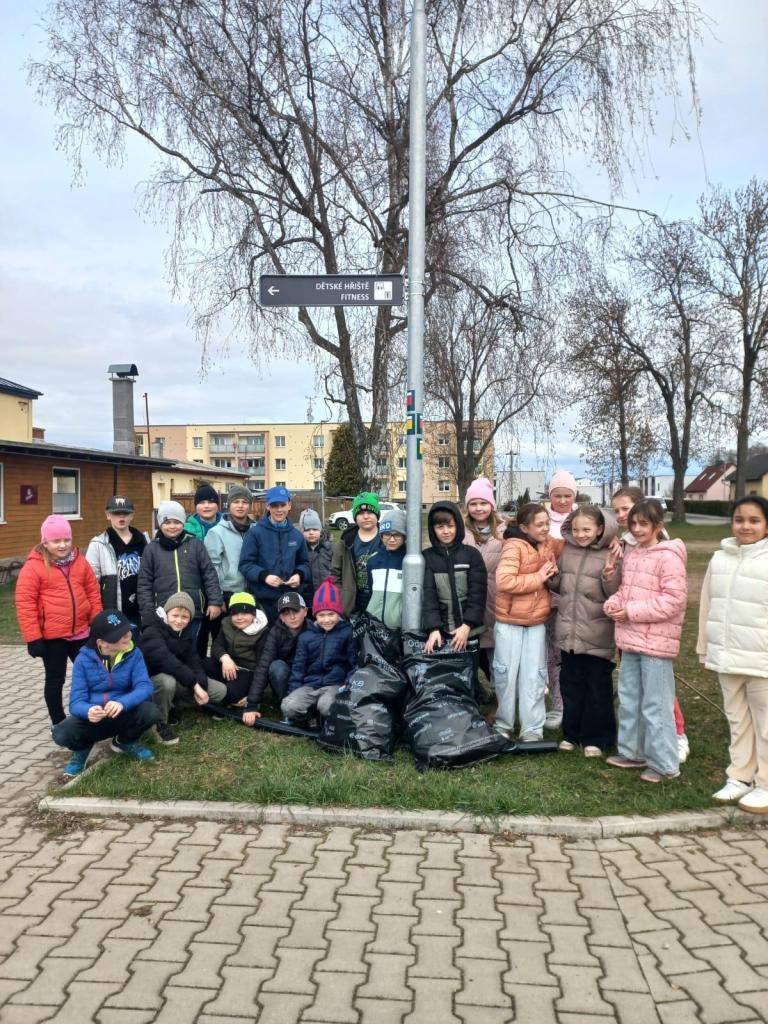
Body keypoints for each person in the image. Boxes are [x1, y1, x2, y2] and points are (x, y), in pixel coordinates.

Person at [603, 498, 687, 783]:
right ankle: (633, 751)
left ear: (658, 526)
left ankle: (665, 763)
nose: (637, 529)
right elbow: (627, 591)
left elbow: (673, 601)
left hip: (655, 644)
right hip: (630, 640)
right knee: (630, 698)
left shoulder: (669, 556)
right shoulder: (633, 554)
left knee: (656, 704)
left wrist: (632, 612)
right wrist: (614, 604)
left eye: (644, 524)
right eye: (634, 523)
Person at [697, 496, 768, 813]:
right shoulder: (719, 559)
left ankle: (765, 782)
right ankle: (739, 775)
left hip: (761, 658)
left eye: (754, 520)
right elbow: (706, 608)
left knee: (765, 724)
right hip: (727, 655)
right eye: (740, 519)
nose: (745, 526)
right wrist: (704, 647)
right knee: (738, 720)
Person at [15, 515, 103, 725]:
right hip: (53, 636)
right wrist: (33, 637)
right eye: (56, 541)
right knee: (56, 680)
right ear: (45, 542)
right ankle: (59, 723)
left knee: (93, 675)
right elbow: (25, 603)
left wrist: (97, 623)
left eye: (66, 540)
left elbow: (92, 592)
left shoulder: (79, 561)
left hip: (81, 632)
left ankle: (95, 714)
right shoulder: (34, 567)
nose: (63, 545)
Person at [52, 609, 160, 777]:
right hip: (96, 717)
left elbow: (145, 686)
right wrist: (88, 711)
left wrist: (123, 703)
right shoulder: (82, 660)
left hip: (122, 712)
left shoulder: (134, 653)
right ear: (102, 642)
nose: (127, 636)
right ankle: (82, 750)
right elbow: (76, 702)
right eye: (119, 635)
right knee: (61, 733)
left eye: (127, 631)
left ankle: (125, 741)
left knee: (151, 711)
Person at [551, 506, 621, 757]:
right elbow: (561, 585)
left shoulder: (611, 552)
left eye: (587, 530)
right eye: (577, 529)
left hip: (597, 631)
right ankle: (571, 732)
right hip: (569, 631)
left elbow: (613, 592)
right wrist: (552, 576)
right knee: (571, 684)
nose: (581, 535)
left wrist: (609, 574)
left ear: (600, 529)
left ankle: (597, 738)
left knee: (597, 688)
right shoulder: (567, 550)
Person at [493, 503, 561, 742]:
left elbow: (570, 543)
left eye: (547, 523)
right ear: (524, 527)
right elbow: (505, 581)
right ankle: (503, 724)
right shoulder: (514, 546)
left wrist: (613, 538)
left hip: (536, 622)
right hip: (509, 621)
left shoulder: (547, 543)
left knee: (535, 675)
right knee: (506, 675)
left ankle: (532, 727)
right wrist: (539, 577)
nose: (545, 528)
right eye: (539, 524)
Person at [140, 592, 228, 743]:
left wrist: (200, 684)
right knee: (166, 682)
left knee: (220, 691)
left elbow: (195, 663)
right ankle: (158, 723)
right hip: (151, 682)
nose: (179, 621)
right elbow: (165, 660)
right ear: (167, 613)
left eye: (185, 617)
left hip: (180, 678)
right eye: (175, 615)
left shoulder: (185, 633)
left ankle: (173, 706)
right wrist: (194, 685)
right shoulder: (152, 629)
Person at [137, 500, 223, 641]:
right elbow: (144, 583)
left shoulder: (195, 544)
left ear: (183, 523)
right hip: (164, 612)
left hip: (193, 611)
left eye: (176, 522)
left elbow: (209, 574)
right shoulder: (152, 549)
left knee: (194, 650)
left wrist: (215, 601)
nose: (172, 526)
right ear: (160, 524)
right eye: (167, 522)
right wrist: (148, 611)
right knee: (167, 652)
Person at [281, 579, 355, 725]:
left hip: (335, 685)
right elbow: (298, 668)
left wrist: (347, 686)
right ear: (315, 615)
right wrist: (293, 691)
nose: (326, 620)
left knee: (326, 705)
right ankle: (310, 716)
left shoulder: (347, 633)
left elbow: (354, 664)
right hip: (311, 685)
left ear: (338, 614)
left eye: (331, 614)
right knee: (288, 706)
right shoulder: (306, 636)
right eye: (321, 615)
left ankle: (324, 717)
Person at [239, 485, 311, 624]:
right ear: (267, 506)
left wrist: (299, 575)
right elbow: (245, 564)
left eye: (282, 505)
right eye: (274, 505)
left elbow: (305, 563)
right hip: (264, 601)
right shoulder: (255, 533)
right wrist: (264, 576)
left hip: (291, 600)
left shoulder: (296, 535)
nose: (279, 510)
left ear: (289, 505)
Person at [422, 501, 487, 655]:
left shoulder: (471, 555)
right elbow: (428, 596)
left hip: (468, 630)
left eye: (450, 526)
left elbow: (478, 595)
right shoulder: (427, 557)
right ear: (433, 529)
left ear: (458, 526)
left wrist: (467, 626)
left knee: (468, 674)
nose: (446, 531)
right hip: (441, 631)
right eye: (440, 527)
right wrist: (433, 628)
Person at [463, 477, 506, 695]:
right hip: (468, 600)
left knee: (495, 656)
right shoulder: (461, 532)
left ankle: (501, 700)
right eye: (473, 504)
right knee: (470, 651)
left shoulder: (505, 532)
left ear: (492, 505)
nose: (478, 508)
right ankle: (472, 694)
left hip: (495, 600)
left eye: (483, 503)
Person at [242, 592, 310, 725]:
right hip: (284, 679)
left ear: (305, 611)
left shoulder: (314, 629)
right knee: (276, 667)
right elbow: (263, 666)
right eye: (286, 613)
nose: (292, 617)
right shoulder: (274, 632)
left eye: (295, 611)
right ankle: (287, 707)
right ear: (281, 617)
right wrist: (252, 704)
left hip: (307, 679)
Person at [86, 495, 148, 631]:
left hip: (139, 611)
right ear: (108, 515)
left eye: (125, 513)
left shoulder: (143, 542)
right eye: (116, 513)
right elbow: (90, 582)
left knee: (137, 649)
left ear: (132, 515)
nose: (121, 517)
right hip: (112, 611)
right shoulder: (98, 544)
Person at [205, 591, 269, 704]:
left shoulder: (263, 632)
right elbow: (217, 645)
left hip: (247, 671)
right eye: (235, 613)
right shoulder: (226, 624)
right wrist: (224, 658)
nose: (239, 617)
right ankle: (212, 690)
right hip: (227, 665)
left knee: (232, 693)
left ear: (253, 614)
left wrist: (254, 695)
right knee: (205, 664)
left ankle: (217, 692)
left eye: (244, 613)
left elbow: (262, 667)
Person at [331, 491, 382, 615]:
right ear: (355, 517)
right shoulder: (346, 541)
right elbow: (335, 572)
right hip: (353, 603)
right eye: (361, 513)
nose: (366, 517)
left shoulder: (387, 538)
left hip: (380, 602)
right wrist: (342, 595)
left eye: (370, 512)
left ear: (377, 515)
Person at [366, 508, 406, 630]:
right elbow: (371, 591)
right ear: (381, 535)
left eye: (397, 535)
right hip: (374, 625)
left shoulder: (409, 562)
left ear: (404, 536)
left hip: (398, 626)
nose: (392, 539)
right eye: (387, 534)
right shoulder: (373, 561)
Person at [299, 507, 334, 609]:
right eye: (307, 530)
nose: (311, 532)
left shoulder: (330, 549)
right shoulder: (300, 550)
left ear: (320, 530)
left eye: (315, 529)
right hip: (307, 598)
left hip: (327, 597)